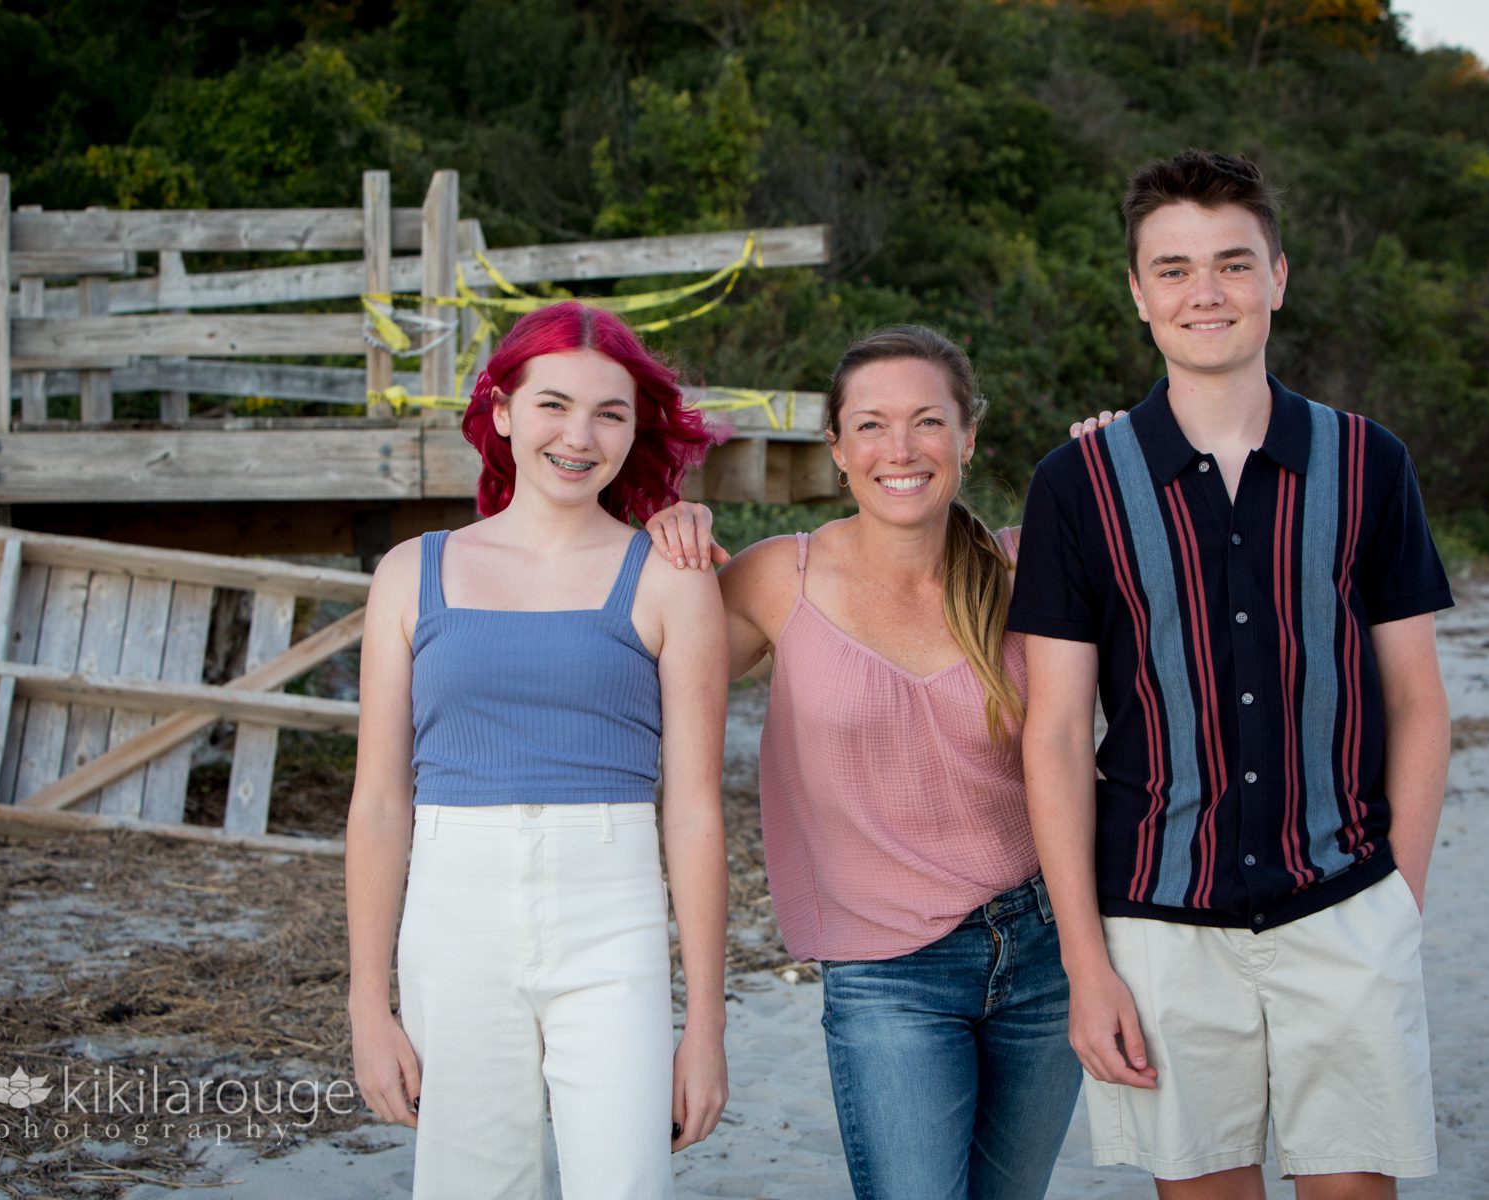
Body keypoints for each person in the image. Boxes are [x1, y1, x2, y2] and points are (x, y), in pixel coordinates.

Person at [1009, 149, 1453, 1199]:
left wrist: (1399, 906)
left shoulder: (1368, 461)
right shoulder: (1077, 483)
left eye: (1232, 264)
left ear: (1279, 277)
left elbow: (1418, 703)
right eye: (1173, 268)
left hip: (1345, 899)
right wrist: (1085, 963)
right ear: (1136, 292)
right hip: (1158, 918)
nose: (1204, 292)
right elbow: (1060, 732)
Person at [648, 325, 1083, 1200]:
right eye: (872, 425)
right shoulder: (781, 580)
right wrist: (662, 527)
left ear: (967, 437)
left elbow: (1189, 605)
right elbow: (639, 653)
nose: (901, 449)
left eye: (928, 422)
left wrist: (1122, 463)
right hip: (887, 971)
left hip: (1047, 949)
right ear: (837, 448)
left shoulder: (1025, 567)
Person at [345, 300, 730, 1200]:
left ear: (636, 431)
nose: (579, 435)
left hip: (615, 920)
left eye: (611, 413)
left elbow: (695, 807)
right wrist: (369, 1003)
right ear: (504, 410)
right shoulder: (411, 572)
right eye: (553, 403)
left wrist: (704, 1023)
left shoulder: (672, 578)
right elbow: (377, 801)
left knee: (626, 1185)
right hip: (451, 923)